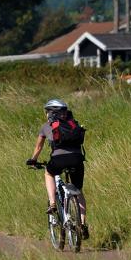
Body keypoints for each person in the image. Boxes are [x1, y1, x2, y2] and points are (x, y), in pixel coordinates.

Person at [27, 99, 89, 239]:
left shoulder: (46, 126)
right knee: (78, 192)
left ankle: (53, 203)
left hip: (58, 160)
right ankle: (83, 224)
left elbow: (38, 147)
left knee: (49, 173)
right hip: (77, 159)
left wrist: (33, 160)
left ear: (50, 113)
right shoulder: (74, 124)